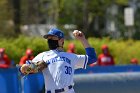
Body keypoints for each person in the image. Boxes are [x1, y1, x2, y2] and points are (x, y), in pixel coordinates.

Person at [20, 28, 97, 93]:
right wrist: (25, 68)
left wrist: (82, 39)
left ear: (61, 40)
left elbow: (92, 58)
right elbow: (25, 70)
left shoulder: (71, 56)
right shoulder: (43, 56)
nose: (49, 40)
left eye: (52, 38)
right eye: (48, 38)